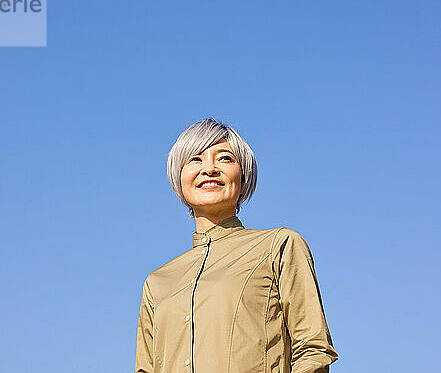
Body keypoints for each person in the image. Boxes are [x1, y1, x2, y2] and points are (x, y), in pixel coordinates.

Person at [135, 118, 339, 373]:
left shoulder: (278, 246)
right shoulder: (157, 282)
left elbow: (313, 350)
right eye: (195, 159)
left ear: (243, 178)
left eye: (224, 158)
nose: (209, 168)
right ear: (179, 178)